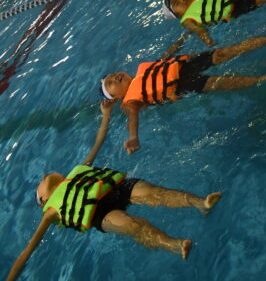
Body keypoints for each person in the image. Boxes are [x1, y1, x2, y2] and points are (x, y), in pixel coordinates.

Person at [5, 103, 221, 278]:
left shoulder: (77, 172)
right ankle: (175, 245)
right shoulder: (51, 212)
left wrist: (106, 114)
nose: (43, 177)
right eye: (39, 186)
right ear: (44, 200)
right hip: (101, 214)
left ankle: (201, 203)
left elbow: (98, 141)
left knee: (156, 193)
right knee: (134, 226)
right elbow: (26, 254)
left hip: (117, 188)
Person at [97, 24, 266, 155]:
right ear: (116, 97)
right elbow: (133, 117)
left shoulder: (142, 70)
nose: (115, 77)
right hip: (181, 86)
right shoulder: (129, 103)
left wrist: (183, 37)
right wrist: (133, 137)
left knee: (221, 53)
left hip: (185, 66)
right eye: (111, 83)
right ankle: (264, 78)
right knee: (221, 82)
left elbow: (166, 56)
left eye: (113, 75)